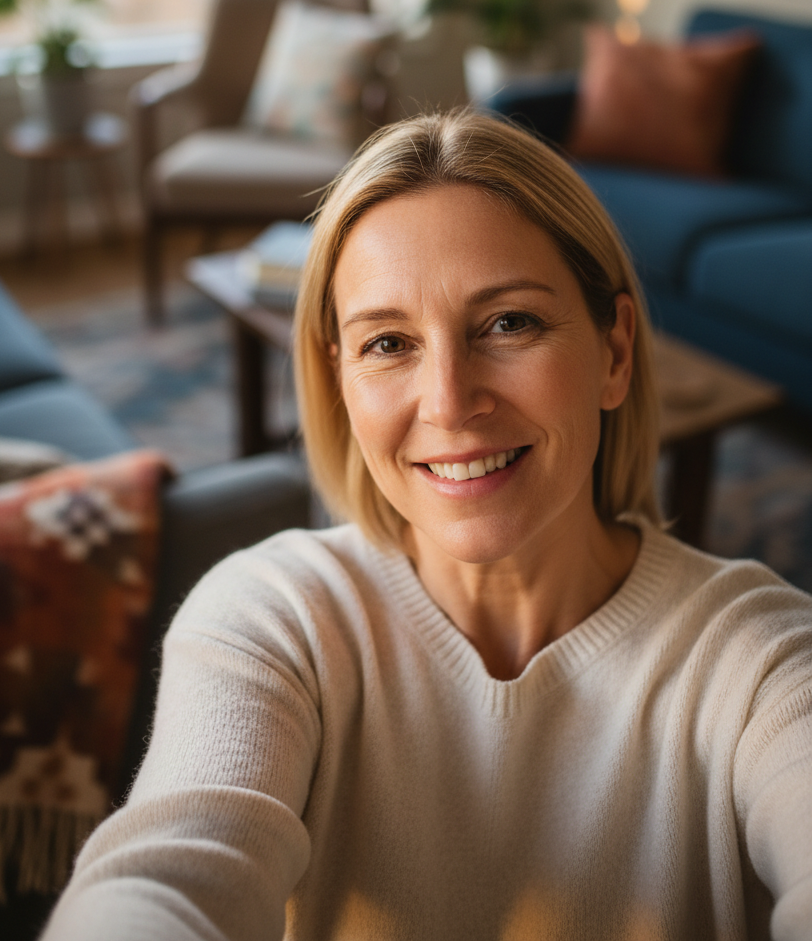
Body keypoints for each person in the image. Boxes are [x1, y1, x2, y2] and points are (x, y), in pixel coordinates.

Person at [44, 110, 812, 940]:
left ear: (615, 353)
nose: (449, 402)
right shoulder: (273, 619)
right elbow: (169, 872)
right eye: (388, 343)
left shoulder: (761, 662)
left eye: (509, 323)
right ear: (339, 378)